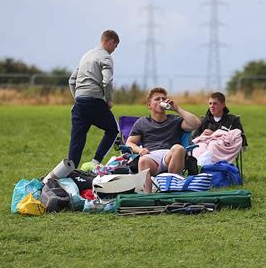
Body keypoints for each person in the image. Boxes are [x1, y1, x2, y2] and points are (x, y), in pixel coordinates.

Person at [126, 87, 201, 193]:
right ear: (149, 105)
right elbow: (130, 142)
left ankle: (172, 189)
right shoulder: (142, 122)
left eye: (163, 99)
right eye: (157, 99)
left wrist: (177, 109)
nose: (161, 101)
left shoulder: (175, 120)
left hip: (170, 155)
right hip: (151, 156)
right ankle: (147, 197)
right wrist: (139, 150)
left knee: (178, 148)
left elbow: (196, 123)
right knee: (143, 160)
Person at [68, 30, 120, 170]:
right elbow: (107, 80)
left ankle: (68, 173)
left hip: (79, 103)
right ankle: (96, 163)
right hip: (95, 101)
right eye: (115, 47)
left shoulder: (86, 56)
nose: (113, 51)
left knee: (76, 141)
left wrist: (78, 98)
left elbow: (72, 80)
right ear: (111, 42)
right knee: (113, 130)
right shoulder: (106, 57)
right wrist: (108, 100)